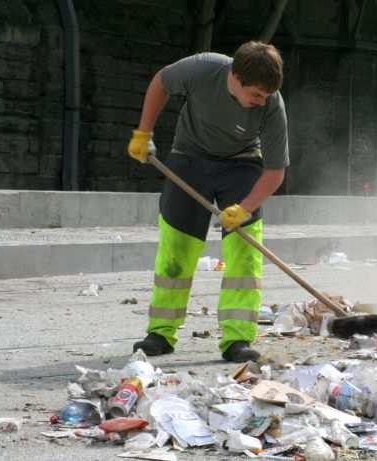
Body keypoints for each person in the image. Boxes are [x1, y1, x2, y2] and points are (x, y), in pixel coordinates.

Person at [127, 41, 289, 363]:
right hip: (189, 157)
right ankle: (161, 332)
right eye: (255, 95)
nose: (260, 102)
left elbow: (274, 172)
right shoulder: (202, 69)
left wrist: (244, 208)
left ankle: (237, 339)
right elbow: (161, 82)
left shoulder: (271, 105)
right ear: (235, 77)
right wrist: (144, 133)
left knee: (244, 252)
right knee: (177, 248)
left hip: (242, 164)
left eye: (265, 96)